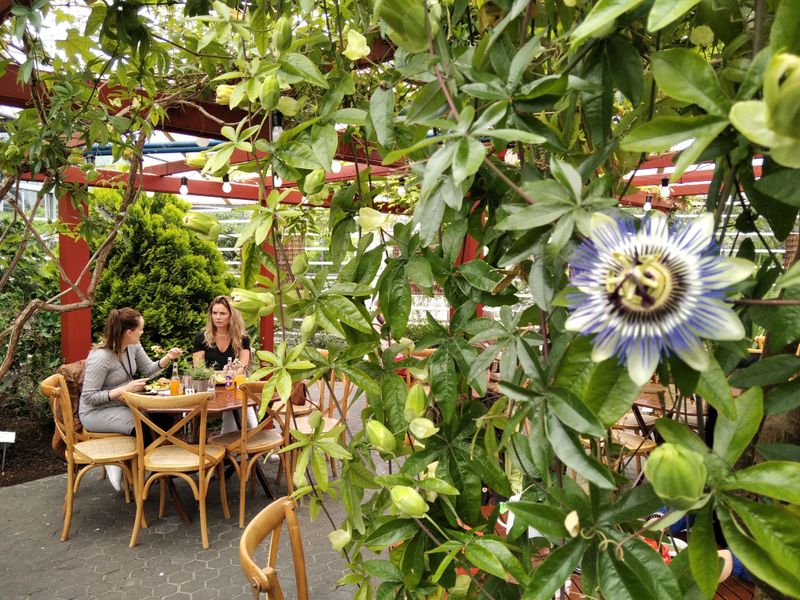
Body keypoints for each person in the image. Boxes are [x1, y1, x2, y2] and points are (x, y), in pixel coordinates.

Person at [79, 307, 182, 490]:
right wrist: (124, 389)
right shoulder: (100, 357)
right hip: (96, 412)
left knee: (165, 419)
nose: (142, 332)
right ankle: (142, 475)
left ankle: (148, 468)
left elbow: (149, 370)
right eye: (140, 329)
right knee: (144, 427)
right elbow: (88, 397)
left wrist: (168, 357)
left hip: (123, 406)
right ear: (129, 332)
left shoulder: (132, 346)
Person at [193, 295, 256, 433]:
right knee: (237, 408)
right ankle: (240, 447)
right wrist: (222, 374)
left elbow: (243, 366)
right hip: (210, 389)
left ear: (231, 316)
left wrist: (230, 376)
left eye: (222, 313)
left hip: (234, 385)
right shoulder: (201, 338)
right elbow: (199, 370)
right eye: (214, 313)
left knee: (240, 407)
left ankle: (237, 446)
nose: (218, 317)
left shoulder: (242, 338)